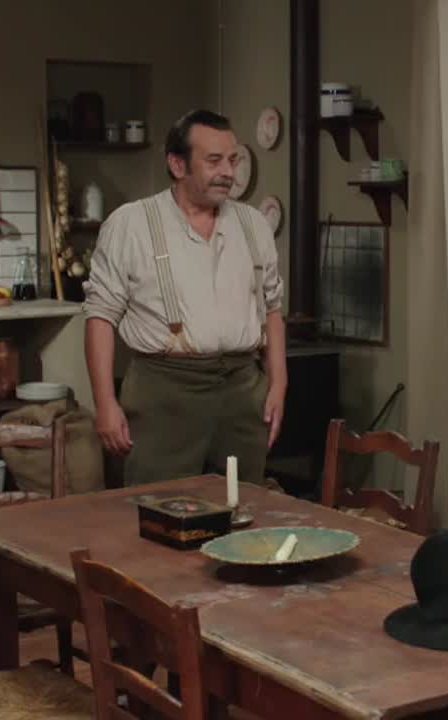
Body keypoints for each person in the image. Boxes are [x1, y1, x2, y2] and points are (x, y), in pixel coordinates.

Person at [83, 109, 286, 487]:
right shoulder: (132, 224)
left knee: (243, 506)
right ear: (177, 165)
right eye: (214, 160)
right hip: (164, 393)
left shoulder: (253, 225)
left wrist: (278, 385)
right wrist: (105, 403)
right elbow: (100, 316)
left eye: (233, 160)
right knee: (157, 507)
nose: (228, 172)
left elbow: (272, 309)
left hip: (242, 391)